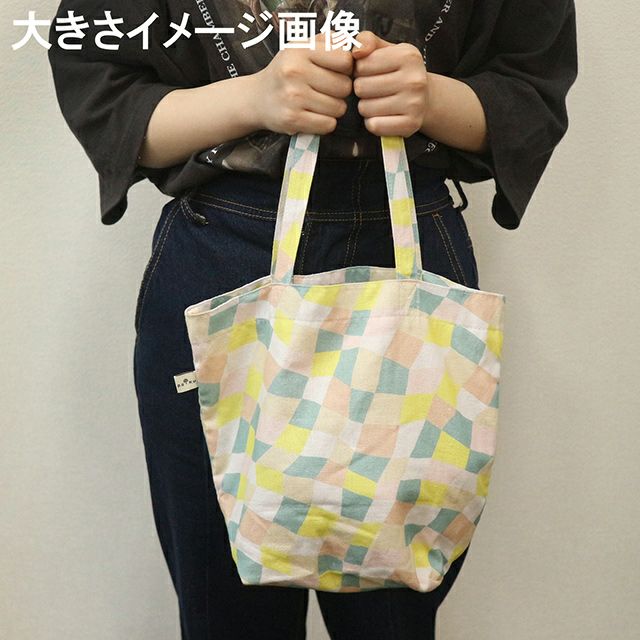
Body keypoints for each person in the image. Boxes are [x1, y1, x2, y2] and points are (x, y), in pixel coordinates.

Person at [48, 2, 578, 638]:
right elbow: (102, 87)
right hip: (224, 254)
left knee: (393, 615)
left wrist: (432, 98)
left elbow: (531, 82)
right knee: (229, 616)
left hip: (403, 249)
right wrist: (252, 98)